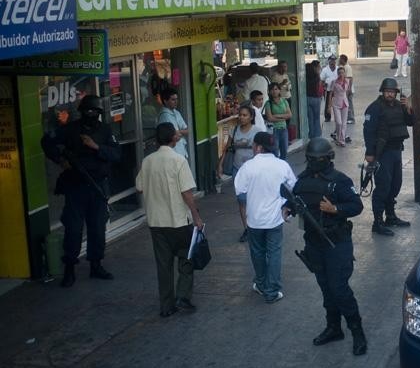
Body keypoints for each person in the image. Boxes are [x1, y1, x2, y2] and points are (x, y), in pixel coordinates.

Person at [293, 138, 367, 355]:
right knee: (326, 288)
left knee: (339, 289)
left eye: (318, 159)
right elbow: (295, 198)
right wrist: (288, 208)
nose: (314, 163)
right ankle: (334, 328)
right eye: (311, 159)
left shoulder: (339, 181)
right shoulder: (303, 179)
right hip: (314, 242)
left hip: (336, 243)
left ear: (328, 159)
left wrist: (335, 208)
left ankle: (357, 331)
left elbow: (356, 205)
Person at [41, 94, 121, 287]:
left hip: (97, 186)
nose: (91, 114)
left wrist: (96, 147)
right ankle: (69, 269)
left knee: (97, 229)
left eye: (95, 111)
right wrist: (60, 160)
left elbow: (116, 154)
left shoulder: (105, 130)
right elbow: (47, 141)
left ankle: (96, 265)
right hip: (76, 187)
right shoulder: (70, 129)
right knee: (73, 230)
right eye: (88, 111)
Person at [136, 122, 203, 317]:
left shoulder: (148, 161)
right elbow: (187, 192)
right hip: (179, 220)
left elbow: (140, 186)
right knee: (186, 259)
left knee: (163, 265)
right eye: (176, 134)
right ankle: (183, 297)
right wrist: (196, 216)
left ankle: (166, 306)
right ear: (173, 138)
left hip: (156, 222)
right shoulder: (179, 160)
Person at [234, 131, 298, 303]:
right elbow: (294, 186)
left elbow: (239, 189)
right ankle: (273, 290)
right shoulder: (281, 165)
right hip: (275, 219)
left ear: (259, 147)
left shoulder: (248, 166)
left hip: (254, 219)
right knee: (274, 252)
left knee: (257, 252)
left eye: (254, 145)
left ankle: (261, 284)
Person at [363, 77, 415, 236]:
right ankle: (377, 222)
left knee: (395, 185)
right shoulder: (374, 108)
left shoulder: (400, 106)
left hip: (396, 151)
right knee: (383, 187)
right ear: (383, 92)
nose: (390, 94)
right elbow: (368, 132)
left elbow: (411, 122)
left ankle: (390, 216)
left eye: (392, 92)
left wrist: (408, 109)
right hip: (382, 153)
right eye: (387, 92)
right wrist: (370, 153)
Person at [217, 104, 262, 242]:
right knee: (242, 200)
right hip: (238, 170)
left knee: (254, 200)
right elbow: (226, 148)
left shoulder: (257, 131)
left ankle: (257, 227)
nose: (242, 118)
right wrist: (220, 164)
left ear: (251, 117)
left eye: (245, 115)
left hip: (254, 171)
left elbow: (262, 150)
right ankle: (247, 228)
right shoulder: (234, 130)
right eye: (240, 115)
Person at [157, 88, 190, 159]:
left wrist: (179, 131)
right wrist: (180, 132)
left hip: (182, 151)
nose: (176, 102)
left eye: (176, 99)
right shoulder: (164, 115)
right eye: (173, 100)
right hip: (172, 154)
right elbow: (175, 137)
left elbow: (188, 130)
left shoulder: (177, 112)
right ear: (165, 101)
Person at [264, 82, 292, 159]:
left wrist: (277, 116)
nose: (274, 91)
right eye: (272, 89)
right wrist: (284, 117)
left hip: (284, 129)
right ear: (269, 91)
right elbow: (270, 118)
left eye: (276, 89)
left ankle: (283, 169)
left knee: (284, 151)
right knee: (275, 152)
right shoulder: (268, 103)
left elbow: (289, 115)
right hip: (274, 130)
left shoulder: (284, 101)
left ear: (279, 90)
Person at [330, 66, 350, 147]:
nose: (341, 74)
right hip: (336, 104)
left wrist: (348, 103)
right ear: (337, 74)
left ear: (344, 73)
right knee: (339, 122)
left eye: (342, 72)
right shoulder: (334, 82)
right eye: (339, 73)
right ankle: (338, 138)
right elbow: (330, 94)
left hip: (345, 103)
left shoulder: (347, 81)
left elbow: (347, 92)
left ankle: (342, 140)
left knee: (344, 123)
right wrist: (329, 105)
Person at [305, 60, 323, 139]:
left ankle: (311, 135)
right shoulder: (316, 76)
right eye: (318, 67)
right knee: (316, 118)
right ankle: (318, 135)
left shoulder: (306, 76)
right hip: (316, 98)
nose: (320, 68)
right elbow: (318, 87)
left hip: (307, 98)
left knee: (310, 118)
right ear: (315, 67)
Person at [320, 55, 339, 121]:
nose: (333, 62)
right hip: (328, 90)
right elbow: (321, 80)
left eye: (334, 60)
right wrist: (324, 85)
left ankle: (338, 115)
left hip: (337, 90)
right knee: (327, 104)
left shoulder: (338, 68)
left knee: (337, 103)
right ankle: (328, 117)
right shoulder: (325, 70)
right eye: (331, 60)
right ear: (329, 61)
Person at [338, 54, 356, 124]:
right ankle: (347, 118)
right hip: (345, 89)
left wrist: (349, 89)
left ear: (343, 60)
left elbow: (350, 78)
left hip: (348, 90)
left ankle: (351, 118)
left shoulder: (347, 67)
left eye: (340, 59)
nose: (339, 60)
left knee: (349, 104)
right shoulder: (343, 67)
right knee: (346, 104)